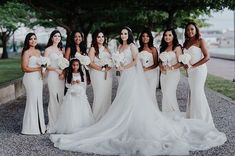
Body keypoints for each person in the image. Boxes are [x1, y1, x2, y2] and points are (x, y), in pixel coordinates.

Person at [50, 26, 226, 156]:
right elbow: (120, 61)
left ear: (130, 35)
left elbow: (136, 61)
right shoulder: (119, 47)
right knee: (122, 99)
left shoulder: (133, 46)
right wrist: (118, 64)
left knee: (133, 99)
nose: (124, 35)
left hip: (131, 75)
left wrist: (124, 65)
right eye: (122, 33)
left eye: (126, 33)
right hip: (123, 76)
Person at [50, 58, 94, 134]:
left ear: (79, 66)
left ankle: (81, 124)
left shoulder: (81, 74)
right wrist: (72, 83)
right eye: (73, 65)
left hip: (80, 93)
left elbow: (84, 84)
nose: (75, 66)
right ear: (71, 66)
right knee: (72, 108)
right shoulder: (69, 74)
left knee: (81, 108)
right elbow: (67, 85)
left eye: (77, 65)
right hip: (71, 93)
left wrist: (79, 83)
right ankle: (72, 125)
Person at [183, 22, 214, 126]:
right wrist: (186, 66)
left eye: (192, 29)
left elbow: (207, 57)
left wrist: (193, 66)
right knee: (192, 93)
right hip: (190, 72)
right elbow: (185, 59)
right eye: (188, 30)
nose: (190, 31)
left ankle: (203, 121)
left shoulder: (200, 40)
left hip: (199, 71)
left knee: (198, 93)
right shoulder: (186, 43)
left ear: (195, 29)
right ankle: (193, 117)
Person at [21, 33, 46, 135]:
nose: (33, 40)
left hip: (38, 78)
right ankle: (29, 128)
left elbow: (41, 64)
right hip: (30, 78)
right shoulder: (26, 52)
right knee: (32, 101)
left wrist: (43, 70)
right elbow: (24, 68)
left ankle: (40, 126)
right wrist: (38, 68)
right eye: (31, 39)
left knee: (38, 100)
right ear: (27, 41)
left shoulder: (38, 51)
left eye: (34, 39)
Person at [88, 30, 113, 121]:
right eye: (99, 37)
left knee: (107, 95)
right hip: (97, 74)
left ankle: (106, 118)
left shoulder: (107, 48)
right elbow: (90, 63)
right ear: (95, 38)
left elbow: (111, 60)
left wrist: (110, 65)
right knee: (99, 95)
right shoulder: (93, 49)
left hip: (108, 74)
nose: (101, 38)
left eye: (102, 36)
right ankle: (97, 118)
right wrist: (101, 68)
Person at [44, 30, 65, 133]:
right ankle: (52, 123)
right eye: (55, 36)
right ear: (52, 38)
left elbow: (64, 64)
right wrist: (56, 70)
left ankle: (60, 122)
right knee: (53, 98)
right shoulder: (48, 50)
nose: (57, 37)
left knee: (61, 98)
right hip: (52, 75)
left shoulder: (61, 50)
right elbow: (45, 65)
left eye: (59, 36)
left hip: (61, 77)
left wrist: (62, 72)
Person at [159, 28, 183, 112]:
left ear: (173, 36)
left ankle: (174, 114)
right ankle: (166, 114)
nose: (167, 37)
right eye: (165, 35)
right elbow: (160, 62)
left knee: (169, 93)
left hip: (173, 74)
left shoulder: (177, 47)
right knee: (164, 93)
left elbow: (181, 63)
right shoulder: (163, 48)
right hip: (164, 74)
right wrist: (161, 67)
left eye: (169, 35)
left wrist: (171, 67)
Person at [138, 28, 159, 105]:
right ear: (141, 38)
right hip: (141, 74)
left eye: (147, 36)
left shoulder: (153, 49)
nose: (145, 38)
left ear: (150, 38)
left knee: (150, 93)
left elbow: (156, 63)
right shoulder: (139, 50)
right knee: (142, 93)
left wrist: (147, 68)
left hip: (151, 74)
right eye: (143, 36)